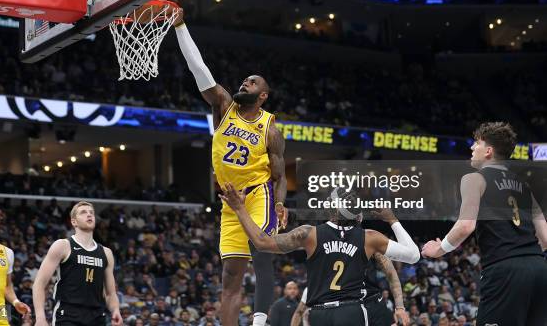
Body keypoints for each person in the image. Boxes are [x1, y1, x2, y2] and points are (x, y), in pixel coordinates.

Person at [173, 7, 288, 326]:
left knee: (263, 257)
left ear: (263, 95)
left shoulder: (271, 129)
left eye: (251, 82)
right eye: (244, 80)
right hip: (229, 202)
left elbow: (279, 176)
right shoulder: (224, 105)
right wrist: (181, 27)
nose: (244, 83)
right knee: (230, 277)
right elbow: (200, 71)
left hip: (257, 196)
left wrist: (279, 203)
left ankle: (260, 322)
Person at [220, 185, 420, 325]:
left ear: (331, 207)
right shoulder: (370, 238)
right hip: (351, 312)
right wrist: (392, 219)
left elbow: (261, 242)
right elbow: (413, 255)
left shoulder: (308, 234)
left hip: (318, 314)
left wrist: (239, 208)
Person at [422, 122, 547, 326]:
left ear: (488, 151)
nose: (472, 148)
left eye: (476, 143)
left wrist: (439, 248)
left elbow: (465, 226)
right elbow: (545, 237)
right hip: (539, 268)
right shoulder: (524, 186)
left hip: (505, 270)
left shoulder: (474, 179)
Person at [32, 201, 122, 326]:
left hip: (97, 316)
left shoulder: (106, 253)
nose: (89, 215)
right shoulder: (63, 246)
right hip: (68, 315)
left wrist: (115, 310)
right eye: (83, 212)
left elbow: (110, 293)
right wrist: (40, 317)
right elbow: (39, 284)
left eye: (91, 213)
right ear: (74, 221)